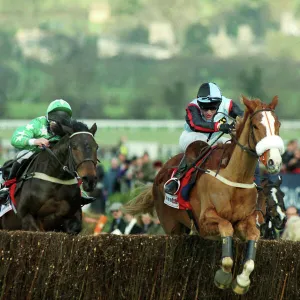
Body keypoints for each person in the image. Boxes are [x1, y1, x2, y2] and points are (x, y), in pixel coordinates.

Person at [0, 99, 96, 205]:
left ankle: (78, 191)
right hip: (36, 152)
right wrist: (35, 141)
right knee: (22, 155)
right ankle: (7, 187)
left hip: (57, 159)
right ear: (48, 115)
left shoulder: (69, 127)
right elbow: (15, 138)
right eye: (55, 114)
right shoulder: (38, 123)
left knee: (72, 158)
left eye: (64, 115)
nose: (60, 118)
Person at [164, 82, 243, 195]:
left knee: (236, 145)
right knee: (201, 141)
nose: (208, 112)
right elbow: (197, 124)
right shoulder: (192, 106)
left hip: (214, 139)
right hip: (191, 137)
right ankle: (176, 179)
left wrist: (238, 124)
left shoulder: (227, 104)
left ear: (219, 102)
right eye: (204, 108)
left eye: (212, 108)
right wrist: (220, 126)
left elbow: (243, 115)